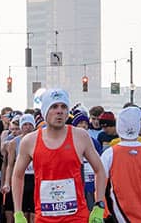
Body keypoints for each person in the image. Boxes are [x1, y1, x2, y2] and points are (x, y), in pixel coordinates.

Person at [11, 89, 108, 223]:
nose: (59, 111)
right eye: (54, 106)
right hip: (44, 217)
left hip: (77, 216)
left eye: (63, 106)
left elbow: (100, 170)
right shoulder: (29, 141)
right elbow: (17, 175)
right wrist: (18, 213)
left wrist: (99, 205)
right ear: (45, 111)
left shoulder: (80, 136)